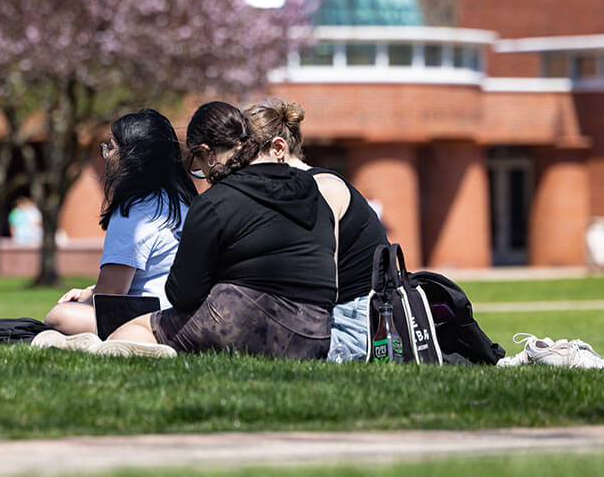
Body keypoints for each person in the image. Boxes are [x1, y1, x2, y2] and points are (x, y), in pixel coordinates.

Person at [100, 101, 336, 359]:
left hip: (248, 321)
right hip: (317, 333)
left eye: (197, 162)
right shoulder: (310, 189)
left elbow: (183, 295)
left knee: (130, 332)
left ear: (207, 153)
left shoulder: (216, 202)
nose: (200, 172)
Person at [241, 98, 389, 362]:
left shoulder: (321, 190)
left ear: (278, 148)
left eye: (244, 159)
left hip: (355, 326)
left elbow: (319, 286)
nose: (238, 172)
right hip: (339, 316)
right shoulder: (296, 191)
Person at [42, 109, 198, 335]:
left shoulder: (135, 212)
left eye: (111, 147)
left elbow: (111, 294)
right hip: (188, 317)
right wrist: (88, 291)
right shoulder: (184, 202)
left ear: (133, 156)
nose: (106, 156)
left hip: (153, 322)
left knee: (59, 315)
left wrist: (86, 298)